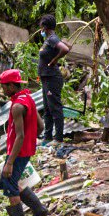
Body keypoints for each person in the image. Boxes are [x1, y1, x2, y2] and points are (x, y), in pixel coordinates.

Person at [0, 69, 50, 216]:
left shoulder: (17, 106)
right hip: (25, 150)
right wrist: (29, 141)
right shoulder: (28, 98)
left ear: (12, 86)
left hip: (17, 152)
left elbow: (19, 136)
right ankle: (39, 209)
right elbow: (40, 126)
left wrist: (10, 162)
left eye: (4, 87)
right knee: (10, 182)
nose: (3, 91)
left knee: (9, 184)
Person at [36, 14, 70, 144]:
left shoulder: (52, 38)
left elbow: (65, 49)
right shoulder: (48, 40)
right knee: (47, 108)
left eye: (41, 27)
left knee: (55, 108)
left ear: (45, 27)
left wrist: (54, 61)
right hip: (46, 78)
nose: (41, 30)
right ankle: (47, 137)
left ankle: (58, 138)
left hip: (52, 78)